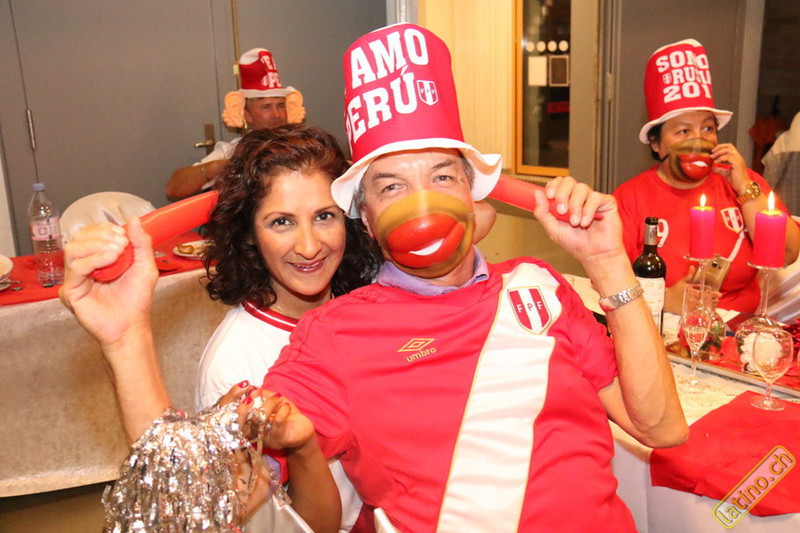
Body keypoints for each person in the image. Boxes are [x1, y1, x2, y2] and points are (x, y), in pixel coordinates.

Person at [62, 23, 687, 532]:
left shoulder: (539, 286)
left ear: (474, 197)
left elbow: (661, 428)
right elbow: (199, 501)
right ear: (365, 215)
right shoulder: (334, 335)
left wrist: (608, 264)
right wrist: (127, 340)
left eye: (442, 176)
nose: (423, 204)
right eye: (391, 186)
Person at [613, 39, 800, 314]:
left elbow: (787, 254)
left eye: (708, 128)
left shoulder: (743, 181)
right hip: (661, 327)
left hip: (739, 330)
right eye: (683, 131)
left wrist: (744, 188)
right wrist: (663, 299)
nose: (699, 140)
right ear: (656, 144)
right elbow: (609, 279)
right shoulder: (629, 197)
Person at [166, 48, 304, 202]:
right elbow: (173, 189)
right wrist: (216, 168)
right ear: (247, 114)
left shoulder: (304, 146)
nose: (277, 114)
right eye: (266, 107)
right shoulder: (233, 151)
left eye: (281, 105)